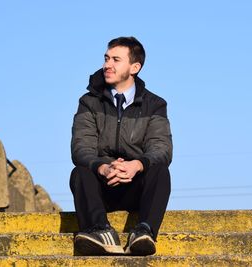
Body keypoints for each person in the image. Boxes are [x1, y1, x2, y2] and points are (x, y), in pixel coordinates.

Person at [69, 36, 172, 256]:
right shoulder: (88, 102)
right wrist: (103, 167)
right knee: (80, 172)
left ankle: (144, 231)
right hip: (102, 186)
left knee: (160, 171)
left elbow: (161, 148)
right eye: (106, 58)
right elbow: (81, 148)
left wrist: (137, 164)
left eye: (116, 59)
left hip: (135, 185)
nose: (107, 64)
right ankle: (99, 230)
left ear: (135, 67)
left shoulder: (155, 104)